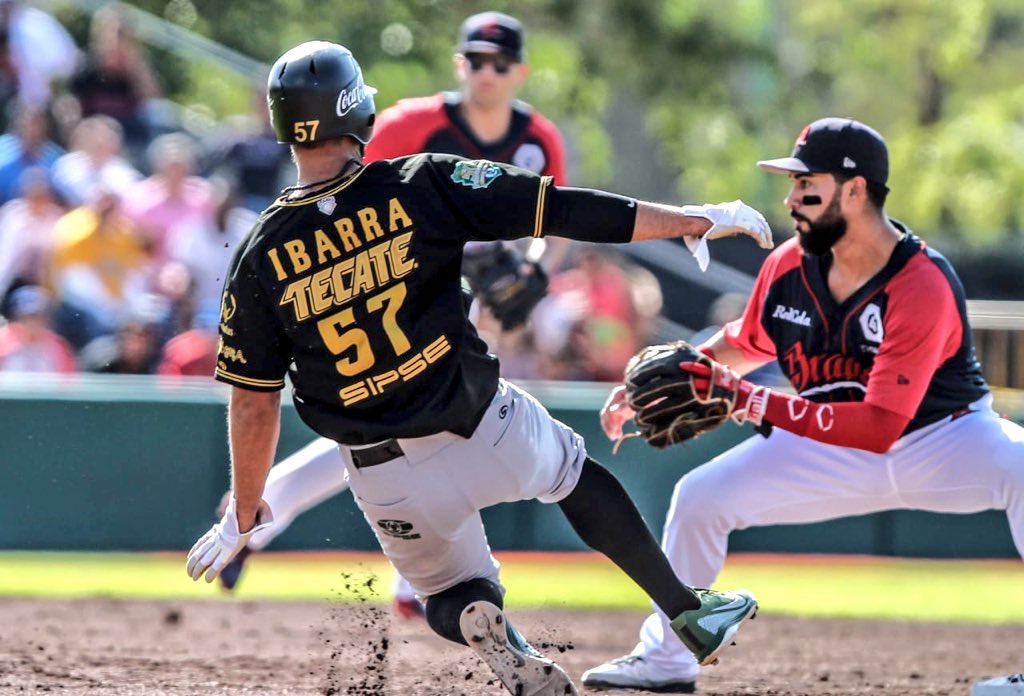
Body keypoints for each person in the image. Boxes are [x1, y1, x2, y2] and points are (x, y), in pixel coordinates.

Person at [185, 41, 772, 695]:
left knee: (448, 592)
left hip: (382, 475)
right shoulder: (419, 182)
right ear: (356, 114)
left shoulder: (259, 253)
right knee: (574, 475)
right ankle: (686, 612)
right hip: (482, 422)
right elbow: (567, 210)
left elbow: (254, 403)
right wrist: (691, 221)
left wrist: (243, 515)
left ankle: (482, 625)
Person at [581, 117, 1024, 693]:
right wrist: (674, 377)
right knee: (700, 498)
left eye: (806, 185)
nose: (790, 199)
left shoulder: (921, 283)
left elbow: (879, 426)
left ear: (856, 190)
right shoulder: (788, 264)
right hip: (822, 443)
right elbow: (745, 343)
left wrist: (748, 399)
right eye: (792, 185)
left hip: (940, 439)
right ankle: (667, 660)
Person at [211, 10, 568, 604]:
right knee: (413, 419)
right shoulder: (416, 124)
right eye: (476, 60)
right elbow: (350, 194)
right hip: (408, 288)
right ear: (460, 64)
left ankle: (287, 521)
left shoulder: (539, 139)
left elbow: (552, 219)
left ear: (519, 72)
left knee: (436, 422)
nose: (486, 73)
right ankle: (287, 520)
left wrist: (538, 270)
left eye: (499, 64)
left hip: (480, 295)